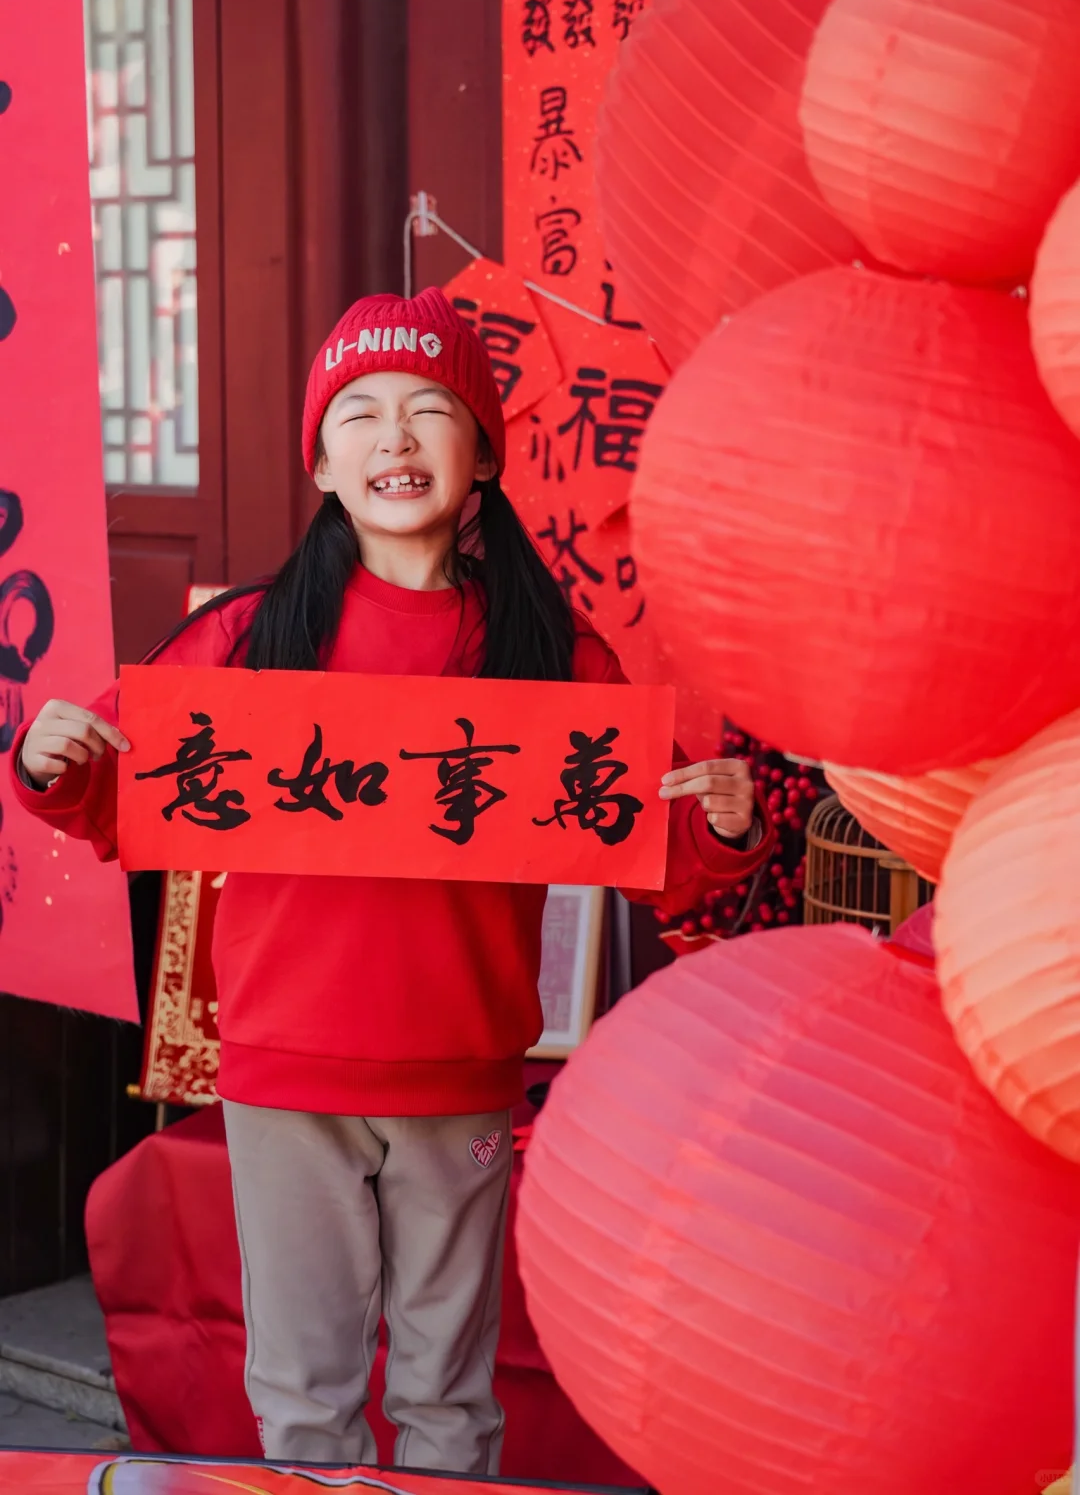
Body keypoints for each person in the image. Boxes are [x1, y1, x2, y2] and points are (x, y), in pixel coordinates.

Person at [11, 289, 773, 1475]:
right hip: (284, 1073)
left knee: (447, 1397)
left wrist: (725, 825)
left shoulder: (550, 655)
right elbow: (107, 785)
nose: (395, 438)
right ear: (322, 462)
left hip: (461, 1072)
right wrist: (46, 762)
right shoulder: (248, 639)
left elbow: (666, 852)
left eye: (431, 411)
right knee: (302, 1395)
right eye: (359, 415)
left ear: (480, 461)